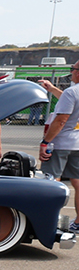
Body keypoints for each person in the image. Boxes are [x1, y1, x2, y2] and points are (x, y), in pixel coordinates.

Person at [39, 61, 79, 233]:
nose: (71, 72)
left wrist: (46, 142)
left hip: (61, 142)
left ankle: (49, 221)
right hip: (77, 143)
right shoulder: (71, 93)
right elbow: (69, 100)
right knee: (77, 182)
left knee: (51, 181)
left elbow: (61, 119)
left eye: (73, 69)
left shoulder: (72, 92)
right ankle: (77, 223)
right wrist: (52, 89)